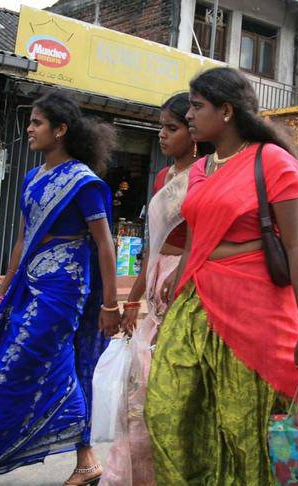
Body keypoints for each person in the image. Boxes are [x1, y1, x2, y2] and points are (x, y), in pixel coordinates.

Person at [144, 67, 298, 484]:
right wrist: (177, 275)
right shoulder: (201, 170)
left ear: (226, 111)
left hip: (256, 310)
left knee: (249, 429)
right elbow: (197, 235)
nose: (188, 117)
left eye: (197, 107)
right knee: (166, 410)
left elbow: (296, 249)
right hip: (196, 304)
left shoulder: (272, 162)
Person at [0, 92, 120, 486]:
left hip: (63, 290)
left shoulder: (85, 183)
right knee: (53, 366)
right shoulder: (32, 178)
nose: (29, 130)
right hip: (27, 287)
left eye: (37, 123)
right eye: (30, 122)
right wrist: (5, 287)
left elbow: (104, 244)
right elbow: (24, 236)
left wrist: (110, 304)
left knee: (13, 369)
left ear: (60, 130)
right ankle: (86, 458)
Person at [100, 93, 212, 486]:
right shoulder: (164, 178)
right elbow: (154, 241)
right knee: (138, 389)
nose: (162, 136)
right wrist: (132, 299)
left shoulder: (207, 173)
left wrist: (178, 280)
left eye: (172, 128)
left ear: (194, 132)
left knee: (166, 388)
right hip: (157, 277)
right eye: (160, 128)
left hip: (188, 281)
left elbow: (198, 240)